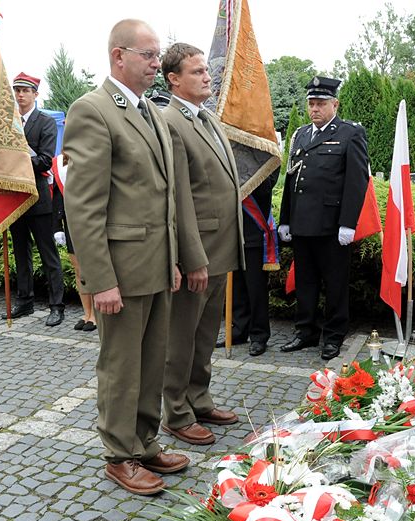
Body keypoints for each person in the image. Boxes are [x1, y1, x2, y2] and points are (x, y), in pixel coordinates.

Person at [63, 19, 189, 496]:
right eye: (149, 55)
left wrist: (172, 259)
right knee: (121, 365)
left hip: (156, 264)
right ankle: (119, 453)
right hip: (120, 269)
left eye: (158, 56)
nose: (158, 63)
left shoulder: (152, 112)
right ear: (119, 57)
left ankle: (144, 440)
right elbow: (85, 205)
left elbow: (165, 199)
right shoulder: (93, 110)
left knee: (152, 361)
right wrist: (101, 280)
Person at [160, 42, 244, 446]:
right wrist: (190, 257)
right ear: (174, 79)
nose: (207, 75)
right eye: (196, 72)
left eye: (205, 70)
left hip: (221, 247)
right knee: (182, 334)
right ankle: (176, 412)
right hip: (199, 251)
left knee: (206, 331)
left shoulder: (207, 119)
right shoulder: (171, 122)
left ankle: (199, 397)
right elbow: (178, 198)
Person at [278, 77, 369, 361]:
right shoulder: (302, 134)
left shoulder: (350, 133)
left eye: (320, 103)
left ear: (334, 104)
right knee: (305, 281)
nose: (314, 109)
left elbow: (357, 181)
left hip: (332, 226)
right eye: (311, 103)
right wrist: (285, 219)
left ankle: (333, 335)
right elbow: (292, 179)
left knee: (335, 284)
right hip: (303, 223)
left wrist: (348, 223)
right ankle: (306, 330)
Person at [3, 72, 65, 327]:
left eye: (25, 91)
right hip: (14, 197)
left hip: (38, 197)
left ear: (35, 95)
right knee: (20, 253)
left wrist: (18, 156)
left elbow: (44, 160)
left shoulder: (45, 122)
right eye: (17, 90)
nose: (20, 95)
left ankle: (56, 305)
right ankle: (24, 300)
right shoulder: (8, 122)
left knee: (48, 254)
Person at [217, 169, 280, 357]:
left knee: (256, 288)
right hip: (232, 232)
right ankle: (238, 330)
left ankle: (259, 335)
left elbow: (267, 187)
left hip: (253, 230)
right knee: (236, 287)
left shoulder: (264, 158)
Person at [50, 152, 97, 332]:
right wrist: (57, 227)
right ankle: (87, 312)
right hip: (70, 221)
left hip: (90, 219)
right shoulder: (61, 161)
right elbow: (57, 195)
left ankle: (96, 316)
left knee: (91, 269)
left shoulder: (91, 153)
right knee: (79, 270)